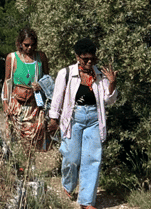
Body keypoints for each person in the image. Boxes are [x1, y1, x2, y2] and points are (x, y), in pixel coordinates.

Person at [48, 38, 118, 209]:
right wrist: (53, 119)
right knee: (71, 157)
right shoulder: (66, 73)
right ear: (77, 56)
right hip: (73, 119)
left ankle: (86, 201)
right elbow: (57, 98)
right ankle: (68, 184)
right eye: (85, 59)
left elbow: (109, 101)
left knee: (92, 159)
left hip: (94, 120)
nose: (89, 62)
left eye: (92, 59)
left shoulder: (100, 75)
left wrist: (112, 84)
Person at [2, 28, 52, 151]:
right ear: (20, 43)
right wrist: (5, 103)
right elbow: (7, 81)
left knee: (33, 138)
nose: (29, 48)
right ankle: (16, 164)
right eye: (26, 45)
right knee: (16, 137)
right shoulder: (12, 58)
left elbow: (48, 79)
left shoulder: (40, 57)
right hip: (17, 105)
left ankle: (31, 163)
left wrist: (40, 85)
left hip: (35, 105)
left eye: (32, 45)